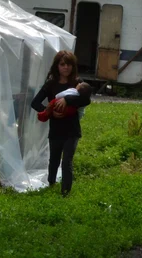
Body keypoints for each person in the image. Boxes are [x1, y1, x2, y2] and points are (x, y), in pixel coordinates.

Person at [31, 51, 91, 196]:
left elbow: (86, 100)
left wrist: (67, 100)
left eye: (69, 64)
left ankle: (65, 191)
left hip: (72, 129)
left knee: (67, 161)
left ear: (73, 66)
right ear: (57, 66)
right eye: (62, 64)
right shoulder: (51, 84)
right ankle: (51, 183)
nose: (66, 67)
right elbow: (35, 102)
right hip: (56, 128)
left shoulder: (77, 83)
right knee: (54, 159)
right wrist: (49, 111)